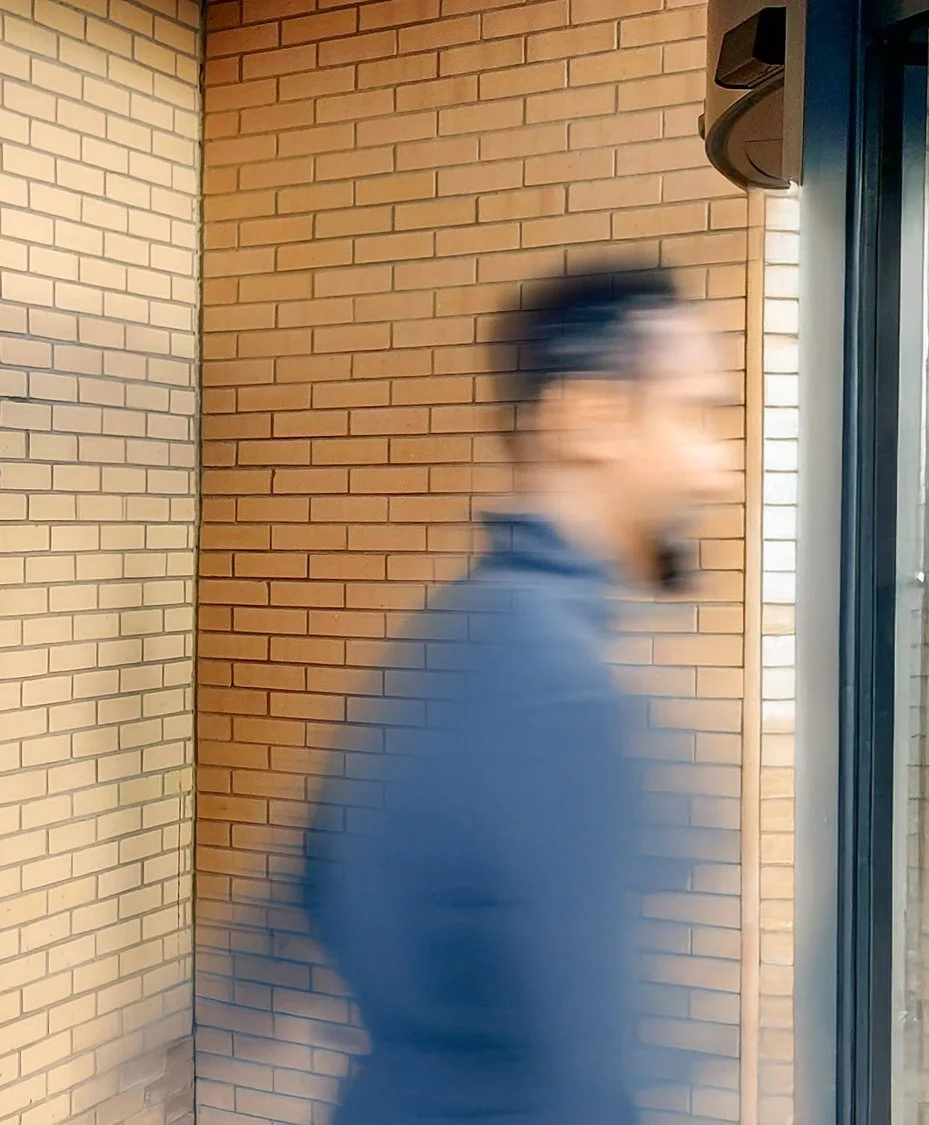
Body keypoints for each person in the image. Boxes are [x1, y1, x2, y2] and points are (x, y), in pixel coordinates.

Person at [302, 266, 738, 1125]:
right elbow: (576, 1073)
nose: (715, 468)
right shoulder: (559, 684)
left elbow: (308, 896)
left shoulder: (458, 628)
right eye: (695, 414)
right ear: (588, 418)